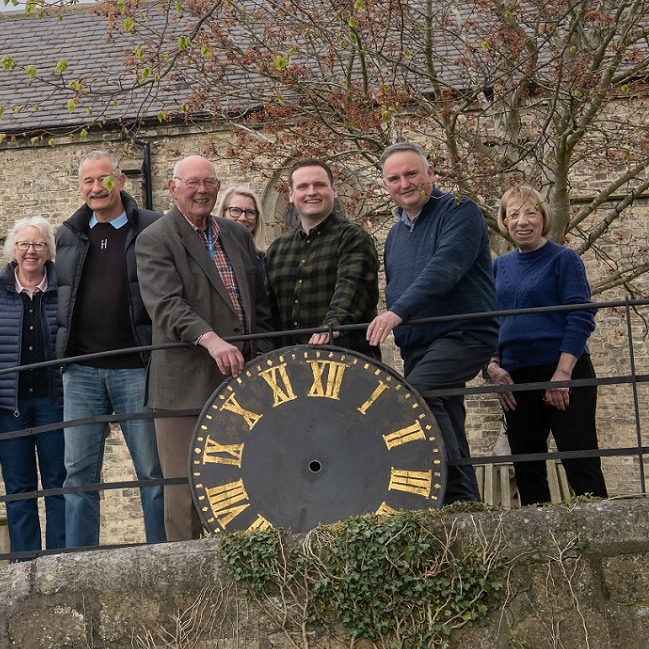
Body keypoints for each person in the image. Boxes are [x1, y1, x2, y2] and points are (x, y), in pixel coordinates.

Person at [137, 155, 274, 540]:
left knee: (247, 479)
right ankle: (190, 592)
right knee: (185, 494)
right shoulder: (155, 239)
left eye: (210, 183)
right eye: (193, 183)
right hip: (184, 384)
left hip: (243, 378)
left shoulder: (236, 234)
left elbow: (258, 307)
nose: (202, 190)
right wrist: (210, 339)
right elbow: (165, 305)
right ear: (173, 188)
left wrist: (259, 356)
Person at [366, 142, 499, 505]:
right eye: (393, 178)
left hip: (463, 333)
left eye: (411, 174)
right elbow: (396, 287)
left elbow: (446, 268)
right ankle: (466, 505)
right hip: (419, 344)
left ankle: (452, 494)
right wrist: (403, 329)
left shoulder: (459, 210)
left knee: (416, 396)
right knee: (448, 417)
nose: (404, 183)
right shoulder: (394, 236)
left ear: (430, 174)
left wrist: (397, 313)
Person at [55, 150, 165, 546]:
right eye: (88, 181)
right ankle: (80, 560)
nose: (96, 188)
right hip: (82, 370)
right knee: (78, 475)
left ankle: (162, 553)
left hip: (135, 365)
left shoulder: (151, 227)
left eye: (104, 179)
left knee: (152, 470)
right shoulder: (68, 233)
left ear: (120, 181)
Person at [487, 186, 606, 504]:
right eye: (513, 214)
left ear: (544, 217)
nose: (522, 221)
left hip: (565, 372)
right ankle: (543, 551)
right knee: (527, 471)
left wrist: (562, 373)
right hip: (515, 379)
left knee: (581, 465)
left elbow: (580, 317)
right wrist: (493, 365)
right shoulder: (498, 267)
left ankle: (598, 544)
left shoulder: (564, 259)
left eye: (530, 212)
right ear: (504, 221)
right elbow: (492, 323)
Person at [0, 215, 66, 556]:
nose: (31, 251)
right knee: (18, 488)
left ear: (48, 250)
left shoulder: (62, 288)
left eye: (38, 244)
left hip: (55, 403)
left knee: (58, 484)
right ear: (13, 249)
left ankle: (59, 559)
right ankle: (26, 563)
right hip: (10, 409)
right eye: (24, 244)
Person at [264, 159, 381, 356]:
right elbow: (269, 314)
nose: (311, 192)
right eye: (303, 186)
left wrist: (331, 326)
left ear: (333, 190)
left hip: (347, 362)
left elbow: (352, 287)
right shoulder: (276, 250)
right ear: (291, 196)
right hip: (291, 369)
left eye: (319, 185)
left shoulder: (353, 237)